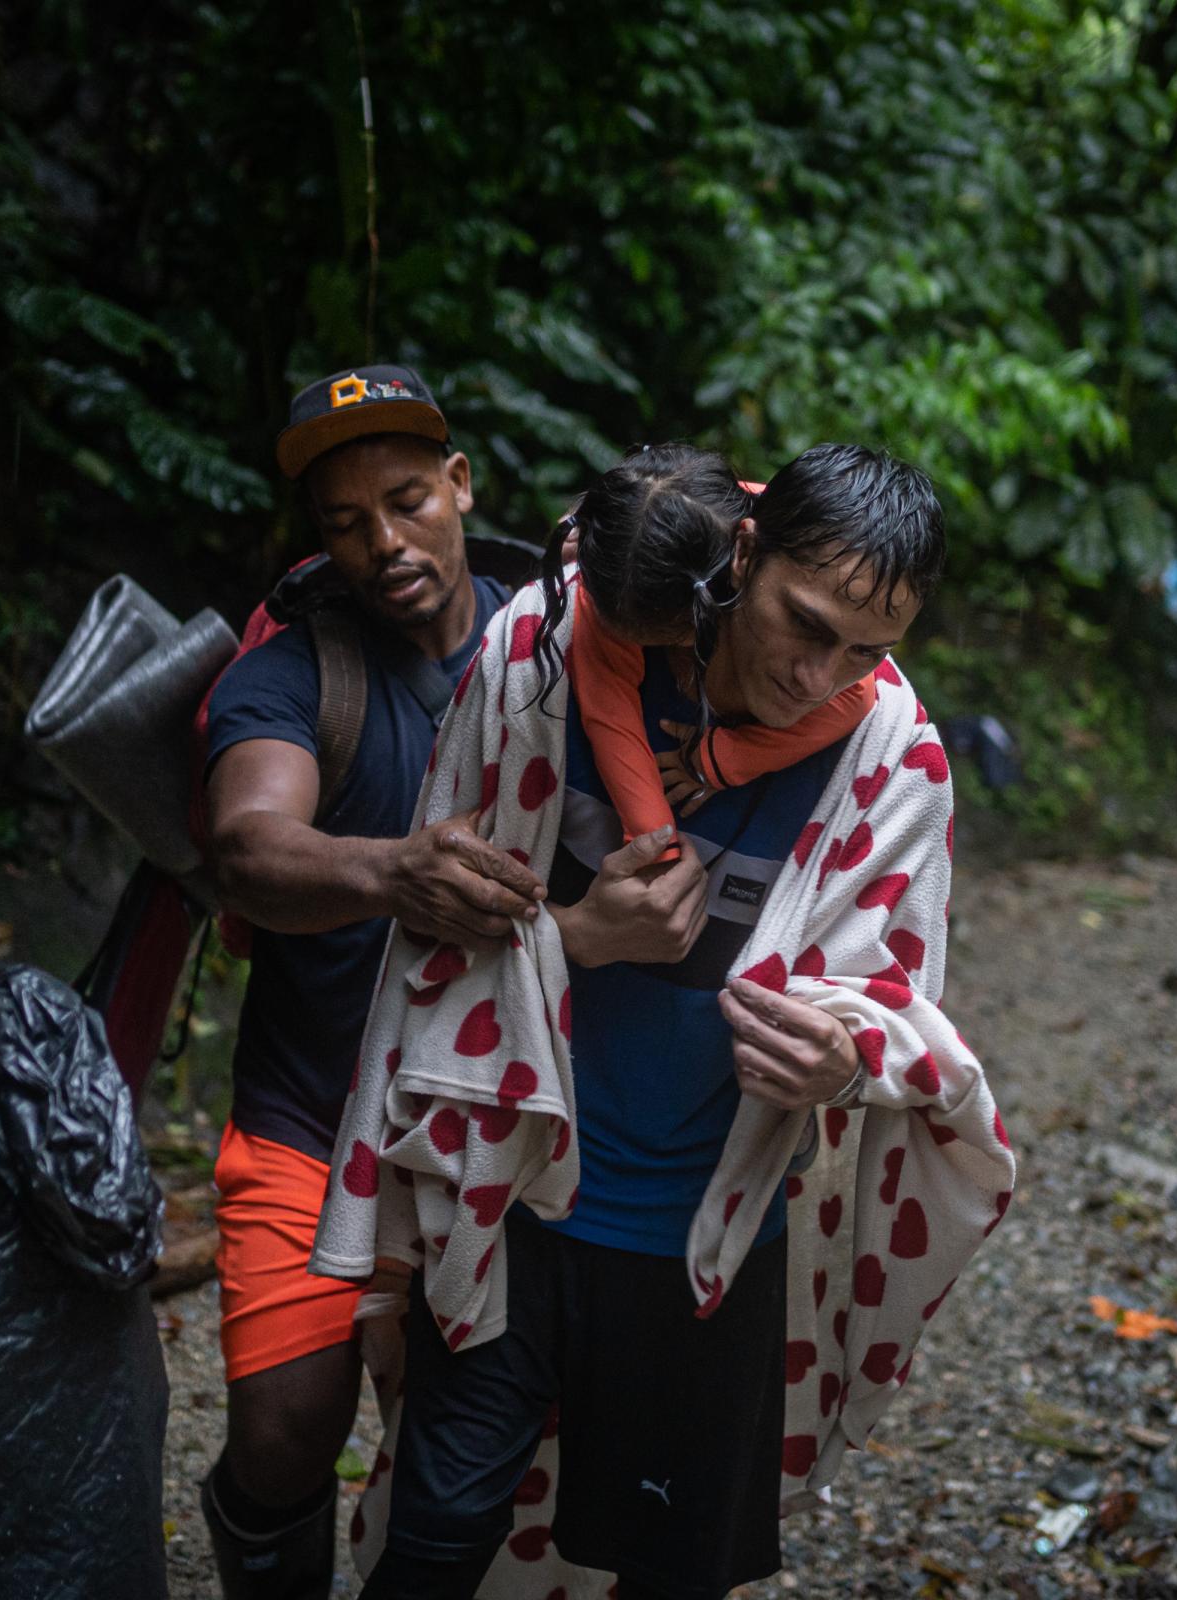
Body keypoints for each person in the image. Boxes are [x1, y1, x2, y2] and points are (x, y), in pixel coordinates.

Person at [322, 444, 1011, 1599]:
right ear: (745, 551)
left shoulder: (894, 756)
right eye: (804, 621)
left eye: (866, 649)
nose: (822, 673)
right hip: (517, 1194)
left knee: (673, 1568)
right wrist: (585, 934)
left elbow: (896, 1008)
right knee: (435, 1535)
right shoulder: (548, 655)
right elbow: (432, 929)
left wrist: (844, 1057)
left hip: (712, 1237)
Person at [195, 364, 542, 1596]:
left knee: (481, 1455)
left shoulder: (557, 651)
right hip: (310, 1115)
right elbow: (250, 843)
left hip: (494, 1131)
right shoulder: (295, 674)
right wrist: (394, 870)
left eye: (407, 500)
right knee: (287, 1429)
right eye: (346, 522)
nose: (383, 542)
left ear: (460, 485)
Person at [556, 445, 876, 844]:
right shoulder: (603, 587)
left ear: (744, 556)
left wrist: (729, 758)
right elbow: (610, 716)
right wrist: (656, 846)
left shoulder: (766, 528)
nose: (816, 681)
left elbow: (859, 697)